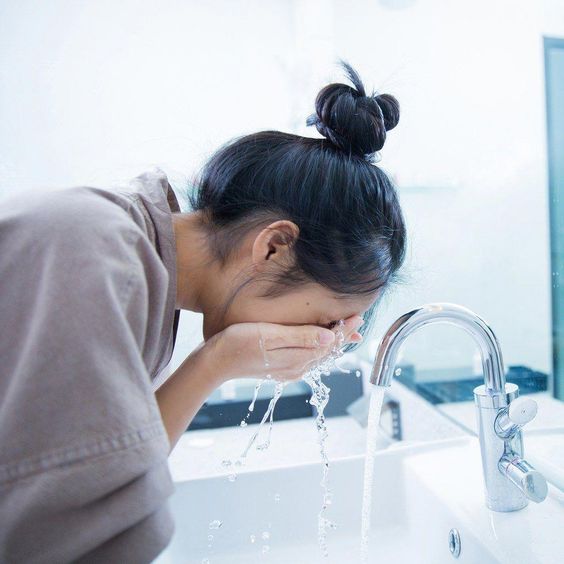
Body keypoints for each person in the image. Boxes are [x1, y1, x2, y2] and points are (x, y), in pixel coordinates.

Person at [0, 61, 406, 563]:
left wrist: (217, 361)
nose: (330, 340)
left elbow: (111, 482)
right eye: (329, 320)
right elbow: (62, 538)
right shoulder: (97, 251)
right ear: (274, 247)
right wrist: (216, 363)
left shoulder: (139, 267)